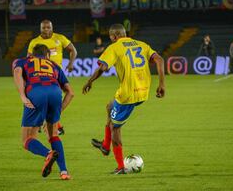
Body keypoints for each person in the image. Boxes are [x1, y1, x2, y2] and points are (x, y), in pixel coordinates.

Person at [82, 24, 165, 174]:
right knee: (109, 106)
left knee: (116, 128)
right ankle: (105, 146)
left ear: (113, 36)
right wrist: (161, 84)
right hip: (143, 91)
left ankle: (121, 167)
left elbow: (102, 68)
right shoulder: (142, 44)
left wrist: (89, 81)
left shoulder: (114, 47)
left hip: (128, 95)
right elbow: (159, 59)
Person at [13, 44, 74, 180]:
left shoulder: (23, 61)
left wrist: (22, 96)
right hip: (55, 92)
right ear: (47, 55)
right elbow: (71, 93)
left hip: (36, 92)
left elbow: (17, 72)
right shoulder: (54, 65)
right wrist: (58, 111)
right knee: (53, 135)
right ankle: (64, 171)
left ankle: (48, 153)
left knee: (27, 139)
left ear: (32, 54)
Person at [28, 20, 77, 135]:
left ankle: (49, 123)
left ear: (52, 28)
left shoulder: (59, 38)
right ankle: (53, 125)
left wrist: (71, 63)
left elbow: (73, 50)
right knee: (49, 100)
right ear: (40, 29)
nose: (46, 30)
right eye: (43, 28)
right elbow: (29, 59)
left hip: (56, 74)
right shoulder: (34, 42)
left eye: (48, 27)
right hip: (40, 75)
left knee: (60, 98)